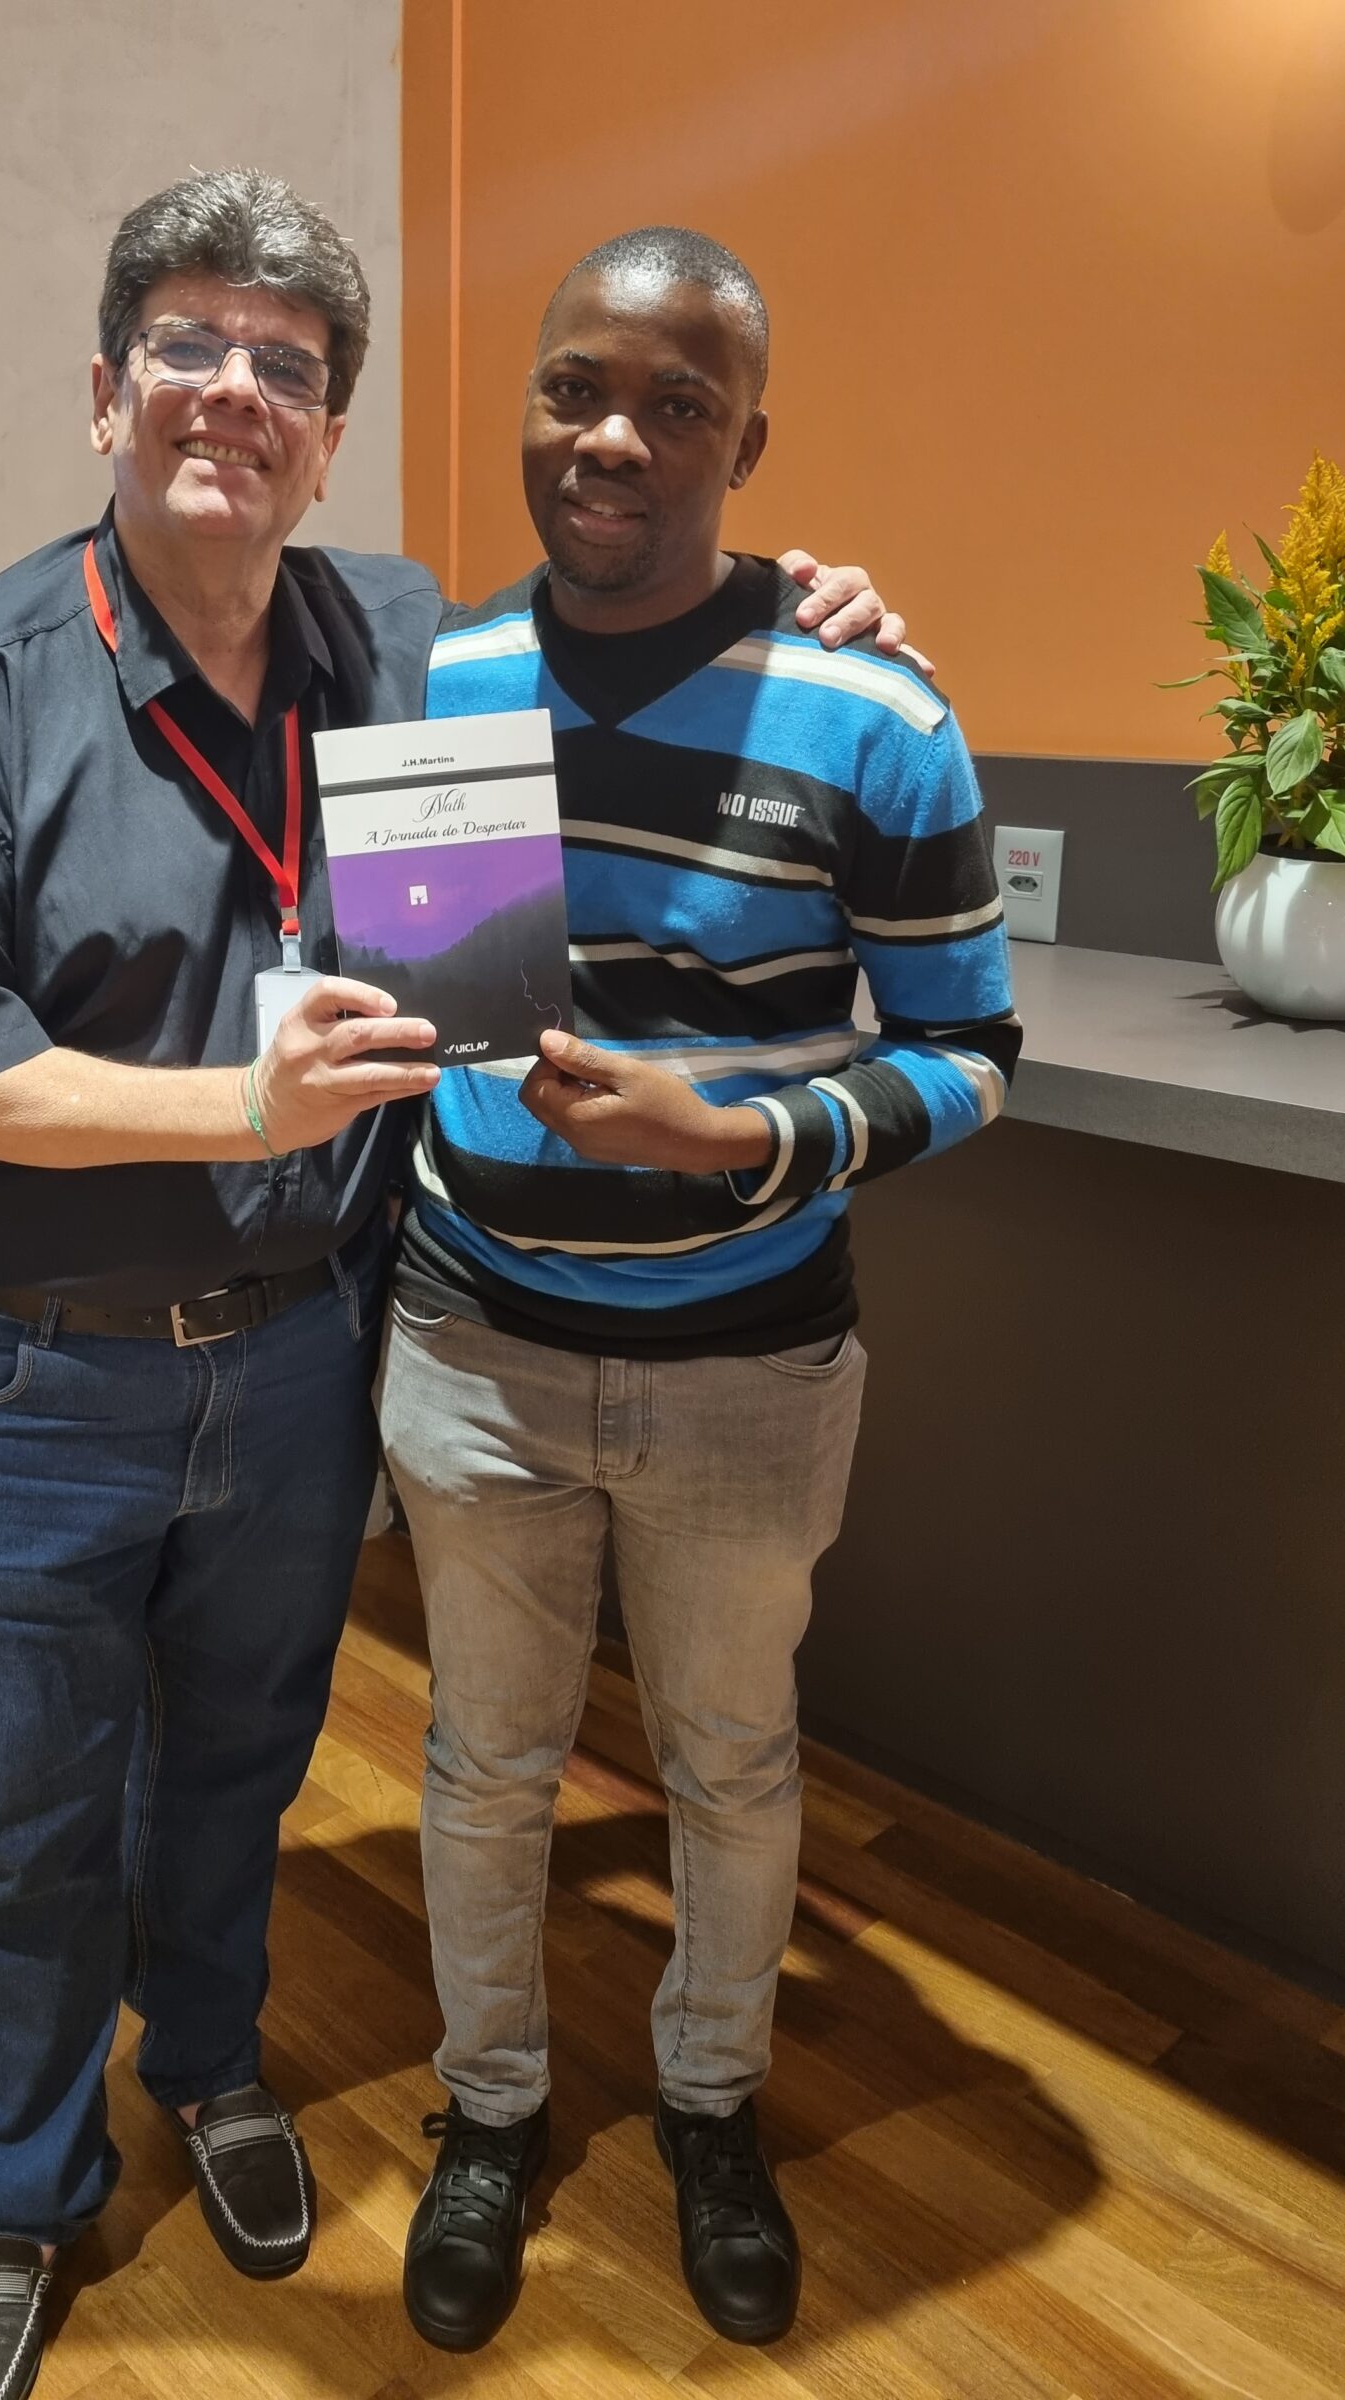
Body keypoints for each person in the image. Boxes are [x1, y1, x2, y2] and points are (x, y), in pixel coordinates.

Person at [0, 171, 907, 2400]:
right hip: (28, 1377)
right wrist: (239, 1107)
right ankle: (23, 2185)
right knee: (22, 1818)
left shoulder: (403, 648)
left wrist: (802, 606)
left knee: (242, 1762)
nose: (236, 391)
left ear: (328, 435)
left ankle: (211, 2063)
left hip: (309, 1356)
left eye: (289, 366)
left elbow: (628, 607)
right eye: (189, 346)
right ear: (105, 393)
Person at [378, 227, 1021, 2355]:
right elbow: (429, 999)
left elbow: (972, 1053)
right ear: (529, 400)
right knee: (483, 1765)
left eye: (677, 403)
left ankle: (712, 2104)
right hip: (471, 1342)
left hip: (747, 1365)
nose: (613, 439)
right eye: (576, 387)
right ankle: (490, 2112)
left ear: (750, 440)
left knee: (732, 1767)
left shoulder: (871, 708)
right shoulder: (444, 684)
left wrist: (750, 1140)